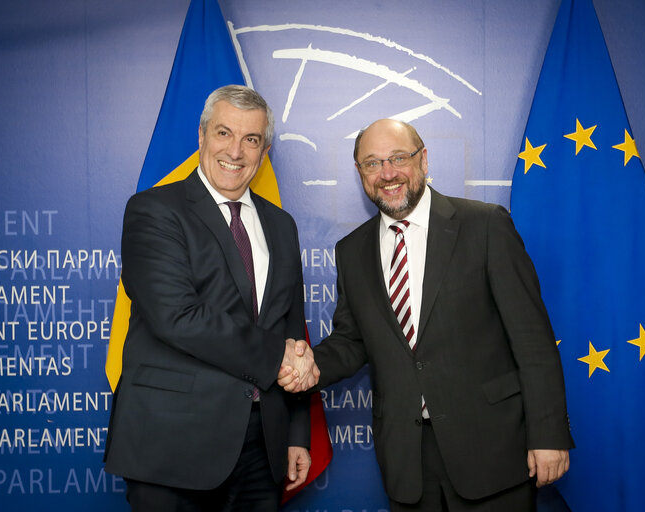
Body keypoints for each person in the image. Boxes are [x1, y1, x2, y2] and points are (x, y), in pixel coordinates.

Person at [279, 119, 573, 511]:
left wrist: (548, 434)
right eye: (372, 163)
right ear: (360, 173)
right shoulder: (352, 250)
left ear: (424, 160)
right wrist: (309, 365)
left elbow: (532, 339)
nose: (387, 174)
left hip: (492, 451)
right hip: (407, 461)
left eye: (398, 158)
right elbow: (351, 341)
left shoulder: (485, 225)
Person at [104, 85, 318, 512]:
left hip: (263, 448)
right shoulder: (154, 210)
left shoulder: (281, 224)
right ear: (202, 136)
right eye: (224, 133)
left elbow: (291, 329)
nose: (235, 151)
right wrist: (280, 357)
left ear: (264, 150)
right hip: (173, 447)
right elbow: (177, 317)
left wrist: (295, 432)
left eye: (251, 139)